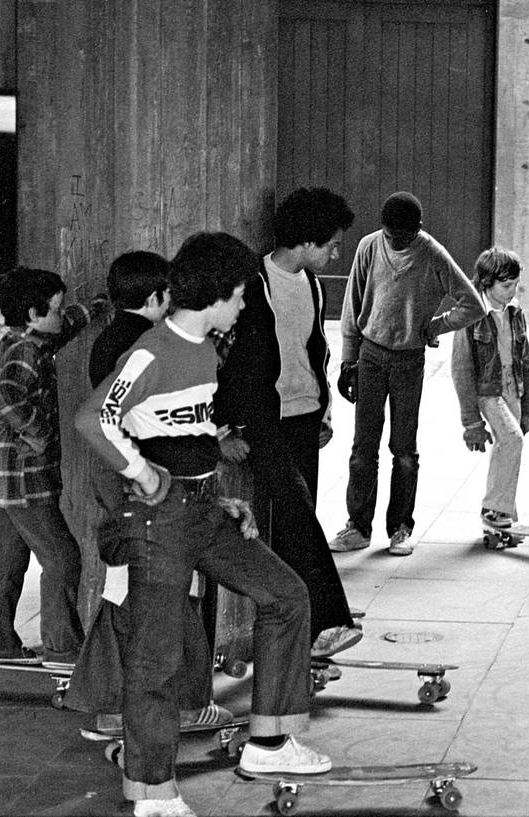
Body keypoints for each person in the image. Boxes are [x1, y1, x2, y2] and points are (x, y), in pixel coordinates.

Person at [76, 232, 330, 817]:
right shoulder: (150, 351)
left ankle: (267, 742)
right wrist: (141, 472)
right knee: (157, 658)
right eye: (241, 296)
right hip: (157, 524)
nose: (244, 306)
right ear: (218, 294)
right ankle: (152, 792)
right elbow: (94, 420)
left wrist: (218, 496)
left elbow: (188, 434)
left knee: (287, 596)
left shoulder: (205, 351)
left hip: (203, 512)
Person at [65, 250, 232, 734]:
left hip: (127, 482)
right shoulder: (149, 344)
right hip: (145, 487)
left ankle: (117, 706)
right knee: (159, 595)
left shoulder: (111, 338)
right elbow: (110, 420)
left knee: (134, 593)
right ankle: (163, 704)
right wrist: (148, 472)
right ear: (158, 297)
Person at [215, 187, 362, 657]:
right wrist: (223, 429)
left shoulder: (313, 285)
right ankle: (328, 620)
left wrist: (324, 410)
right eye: (332, 244)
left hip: (304, 418)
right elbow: (224, 363)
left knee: (299, 525)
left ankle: (295, 638)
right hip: (260, 422)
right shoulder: (252, 282)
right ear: (305, 241)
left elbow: (315, 350)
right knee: (297, 513)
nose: (337, 252)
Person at [329, 192, 486, 556]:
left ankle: (400, 528)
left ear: (418, 228)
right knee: (362, 449)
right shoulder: (370, 247)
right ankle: (358, 526)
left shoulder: (432, 253)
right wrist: (347, 359)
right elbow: (352, 307)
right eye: (390, 234)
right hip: (369, 357)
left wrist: (435, 326)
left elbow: (473, 304)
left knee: (404, 450)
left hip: (408, 362)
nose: (395, 241)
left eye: (403, 236)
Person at [0, 268, 104, 667]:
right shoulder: (24, 349)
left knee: (5, 561)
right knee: (62, 558)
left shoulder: (31, 336)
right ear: (35, 313)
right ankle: (61, 649)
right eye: (55, 309)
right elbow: (5, 396)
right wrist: (37, 430)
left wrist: (93, 310)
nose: (61, 316)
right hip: (24, 476)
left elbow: (66, 325)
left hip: (4, 477)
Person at [451, 247, 529, 528]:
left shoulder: (515, 311)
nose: (512, 291)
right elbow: (461, 370)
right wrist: (472, 423)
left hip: (514, 387)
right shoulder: (471, 314)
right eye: (506, 285)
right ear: (487, 282)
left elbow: (525, 359)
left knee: (509, 444)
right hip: (488, 392)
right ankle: (493, 509)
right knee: (512, 440)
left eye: (515, 284)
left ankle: (505, 509)